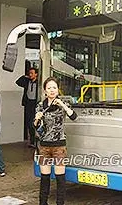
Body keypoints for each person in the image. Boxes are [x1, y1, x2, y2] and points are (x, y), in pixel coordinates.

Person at [34, 77, 77, 205]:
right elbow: (36, 127)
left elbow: (73, 116)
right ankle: (43, 203)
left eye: (54, 87)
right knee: (45, 178)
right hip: (44, 146)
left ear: (58, 90)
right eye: (49, 88)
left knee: (60, 179)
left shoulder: (63, 104)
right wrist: (37, 119)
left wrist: (62, 105)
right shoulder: (40, 106)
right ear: (45, 91)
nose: (52, 90)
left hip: (59, 146)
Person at [16, 67, 39, 148]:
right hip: (28, 103)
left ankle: (37, 141)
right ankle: (32, 141)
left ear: (36, 74)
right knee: (29, 123)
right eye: (30, 73)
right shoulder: (27, 82)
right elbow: (18, 82)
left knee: (36, 123)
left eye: (32, 73)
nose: (30, 75)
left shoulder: (38, 83)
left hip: (35, 104)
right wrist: (26, 76)